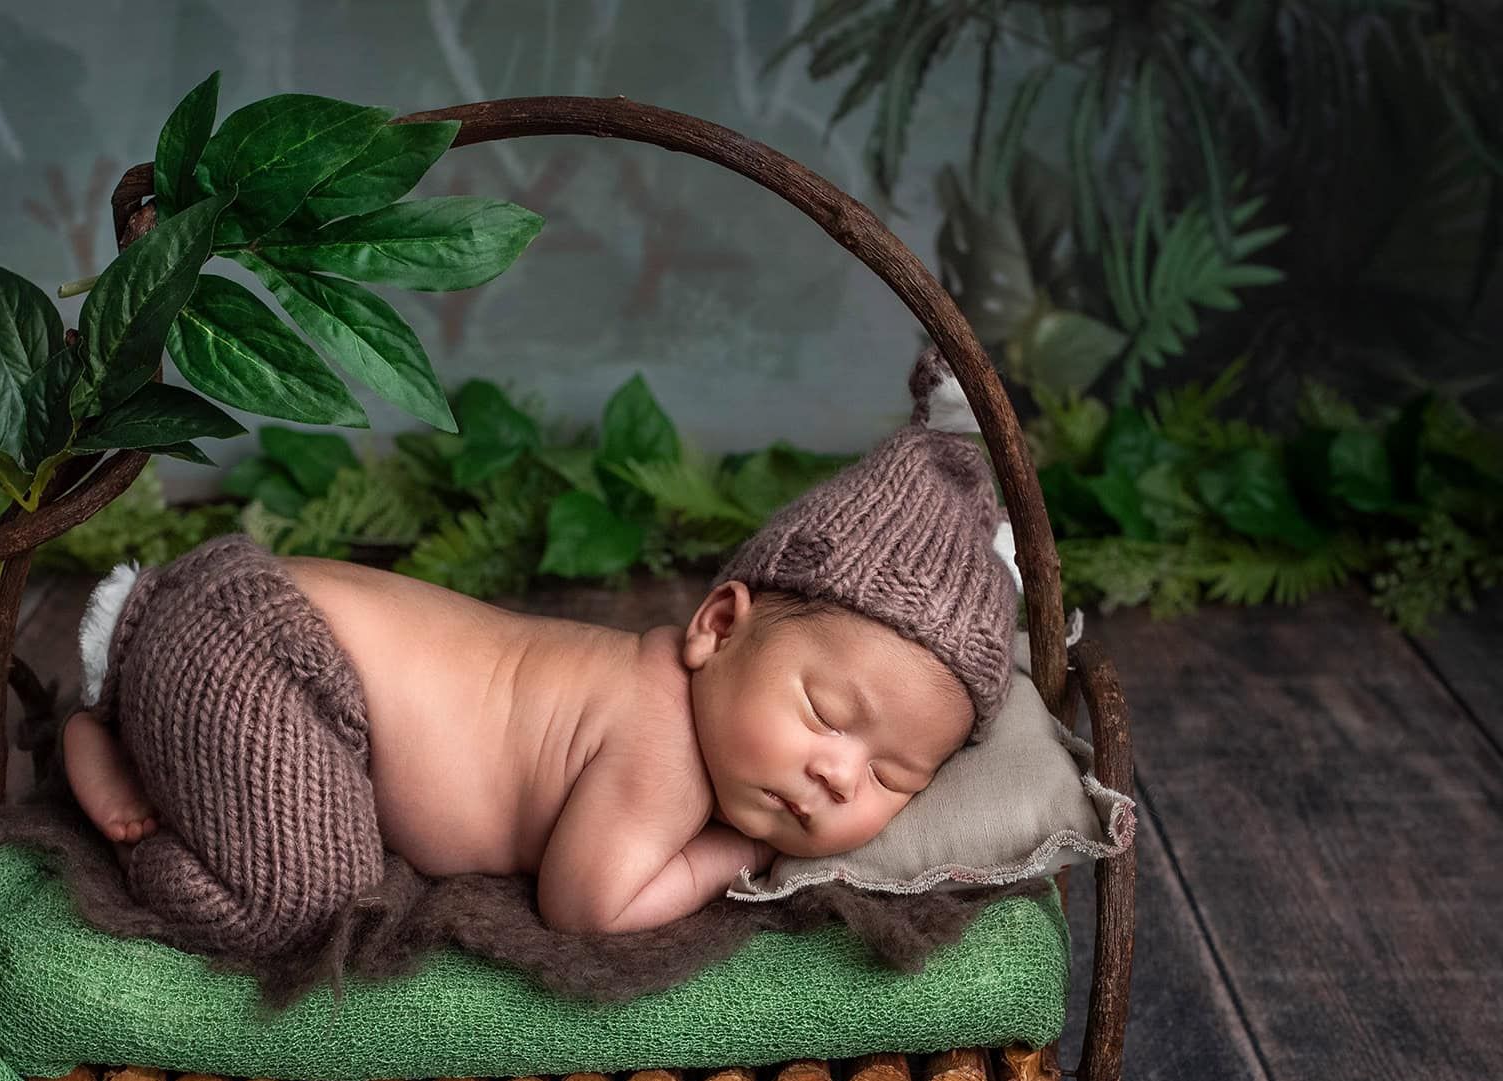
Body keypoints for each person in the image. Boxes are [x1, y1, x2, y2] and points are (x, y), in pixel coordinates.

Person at [60, 345, 1018, 959]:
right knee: (307, 901)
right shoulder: (663, 746)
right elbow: (585, 903)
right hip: (268, 656)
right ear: (716, 628)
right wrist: (737, 849)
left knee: (314, 833)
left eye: (894, 774)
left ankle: (132, 709)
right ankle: (123, 782)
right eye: (824, 714)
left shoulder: (664, 694)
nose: (841, 774)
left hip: (243, 623)